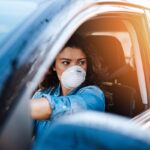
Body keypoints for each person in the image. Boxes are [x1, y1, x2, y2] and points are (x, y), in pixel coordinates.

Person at [31, 34, 105, 139]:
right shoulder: (41, 94)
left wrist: (16, 108)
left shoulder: (94, 96)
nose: (74, 69)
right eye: (66, 62)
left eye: (81, 62)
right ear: (54, 66)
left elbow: (64, 108)